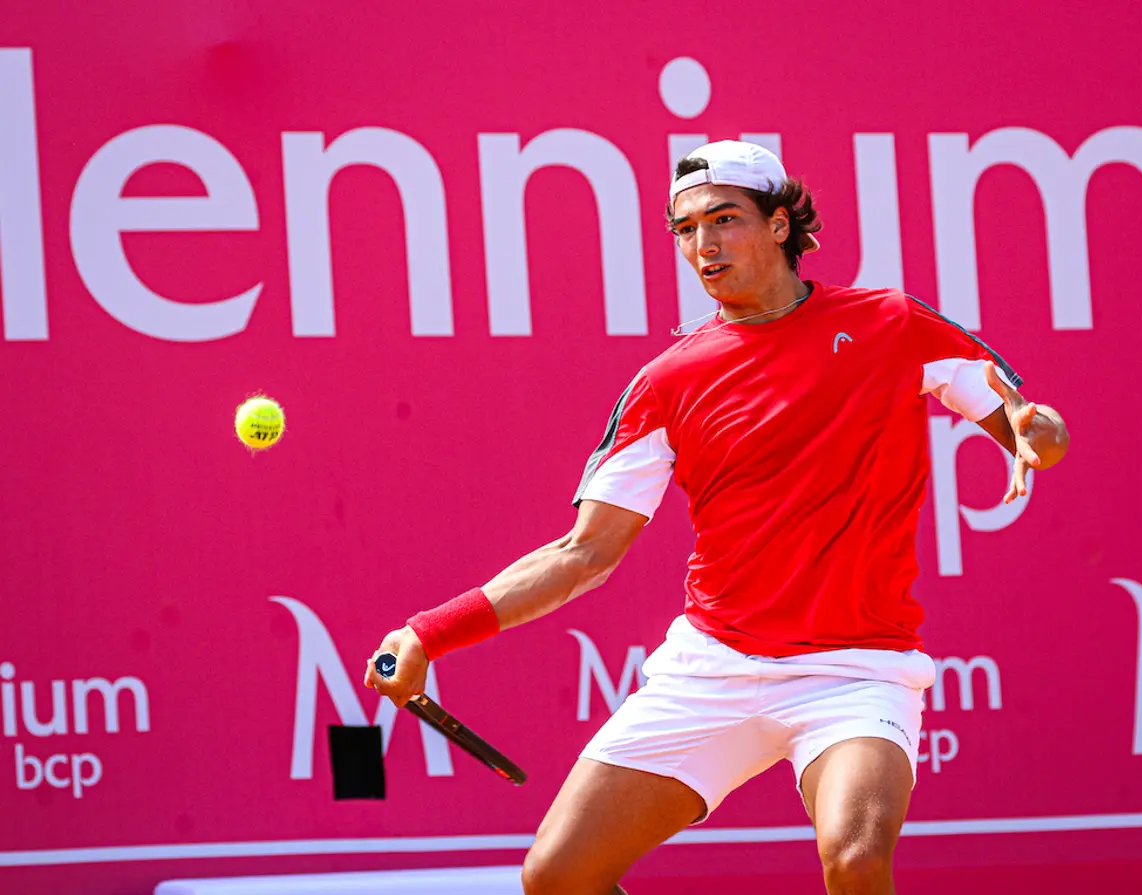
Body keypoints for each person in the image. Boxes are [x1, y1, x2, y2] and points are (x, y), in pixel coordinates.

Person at [363, 140, 1070, 895]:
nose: (703, 243)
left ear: (779, 224)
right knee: (557, 876)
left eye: (724, 219)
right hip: (713, 668)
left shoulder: (890, 323)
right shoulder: (667, 382)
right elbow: (583, 553)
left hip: (855, 670)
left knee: (857, 858)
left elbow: (1033, 427)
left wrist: (1038, 433)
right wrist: (429, 631)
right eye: (686, 228)